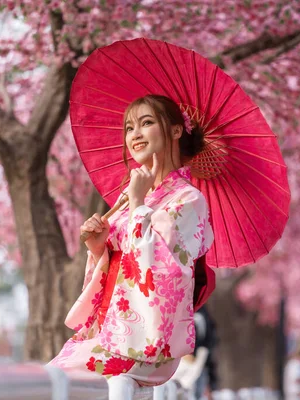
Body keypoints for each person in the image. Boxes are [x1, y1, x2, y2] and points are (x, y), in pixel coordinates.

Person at [48, 95, 214, 389]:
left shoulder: (189, 199)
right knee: (45, 380)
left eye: (146, 123)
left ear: (176, 130)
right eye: (129, 128)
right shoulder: (132, 196)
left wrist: (138, 203)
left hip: (146, 340)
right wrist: (99, 248)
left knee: (52, 382)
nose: (134, 134)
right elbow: (118, 266)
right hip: (108, 330)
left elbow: (166, 274)